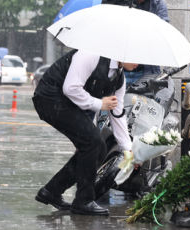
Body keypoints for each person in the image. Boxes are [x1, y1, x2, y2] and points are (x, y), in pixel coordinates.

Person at [32, 49, 138, 216]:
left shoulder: (119, 78)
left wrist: (128, 150)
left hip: (71, 105)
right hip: (49, 98)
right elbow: (70, 88)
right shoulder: (90, 54)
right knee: (93, 142)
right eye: (136, 56)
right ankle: (84, 201)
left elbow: (117, 113)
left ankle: (52, 191)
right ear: (122, 50)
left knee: (99, 148)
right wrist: (98, 103)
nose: (138, 62)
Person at [103, 0, 169, 85]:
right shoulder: (119, 2)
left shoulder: (158, 5)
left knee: (145, 98)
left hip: (147, 70)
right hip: (119, 68)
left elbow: (162, 32)